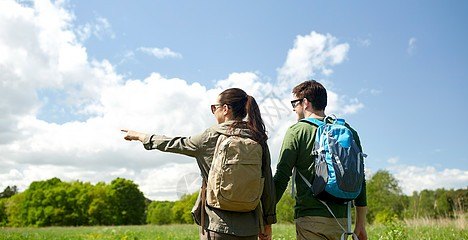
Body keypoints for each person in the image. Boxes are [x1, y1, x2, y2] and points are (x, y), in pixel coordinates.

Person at [122, 88, 276, 240]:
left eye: (213, 108)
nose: (213, 111)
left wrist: (141, 136)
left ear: (225, 109)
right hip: (249, 228)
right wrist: (268, 223)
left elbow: (174, 143)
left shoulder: (209, 137)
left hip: (216, 227)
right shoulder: (258, 138)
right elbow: (268, 185)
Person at [273, 80, 368, 240]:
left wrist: (265, 216)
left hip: (310, 219)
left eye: (294, 103)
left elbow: (282, 177)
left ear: (305, 103)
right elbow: (360, 180)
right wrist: (360, 224)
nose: (294, 109)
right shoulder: (349, 132)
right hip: (343, 221)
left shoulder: (297, 131)